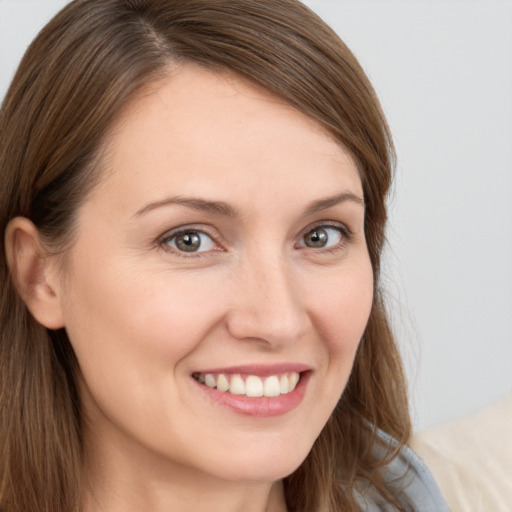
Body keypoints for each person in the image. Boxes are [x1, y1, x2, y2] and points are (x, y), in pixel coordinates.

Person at [0, 1, 449, 511]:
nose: (277, 321)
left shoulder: (393, 493)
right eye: (189, 240)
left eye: (320, 235)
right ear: (40, 275)